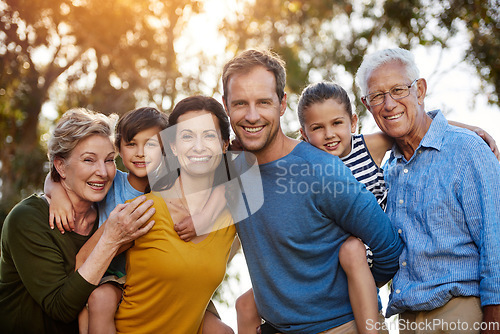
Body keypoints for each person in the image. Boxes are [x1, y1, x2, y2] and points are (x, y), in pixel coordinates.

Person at [222, 49, 403, 334]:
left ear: (282, 104)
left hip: (343, 326)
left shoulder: (322, 170)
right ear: (226, 105)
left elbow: (389, 248)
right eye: (240, 103)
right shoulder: (230, 172)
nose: (252, 115)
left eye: (264, 102)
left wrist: (356, 291)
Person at [47, 107, 230, 333]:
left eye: (151, 144)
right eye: (131, 144)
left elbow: (229, 175)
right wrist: (55, 192)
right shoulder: (111, 180)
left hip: (150, 282)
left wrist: (205, 215)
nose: (141, 152)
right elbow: (61, 172)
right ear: (119, 151)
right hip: (107, 275)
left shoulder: (169, 187)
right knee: (97, 302)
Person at [356, 48, 500, 334]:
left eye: (398, 90)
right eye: (377, 96)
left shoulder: (467, 151)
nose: (388, 104)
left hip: (464, 312)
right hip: (408, 320)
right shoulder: (385, 173)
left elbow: (495, 242)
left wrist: (494, 324)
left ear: (419, 90)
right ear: (366, 104)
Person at [0, 108, 155, 334]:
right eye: (88, 160)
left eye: (109, 160)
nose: (102, 171)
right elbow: (60, 308)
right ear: (61, 166)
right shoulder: (27, 219)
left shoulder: (107, 209)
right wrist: (110, 239)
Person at [104, 96, 236, 333]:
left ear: (225, 144)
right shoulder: (143, 209)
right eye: (187, 136)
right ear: (173, 146)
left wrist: (210, 211)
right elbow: (83, 264)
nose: (198, 146)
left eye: (209, 135)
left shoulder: (233, 212)